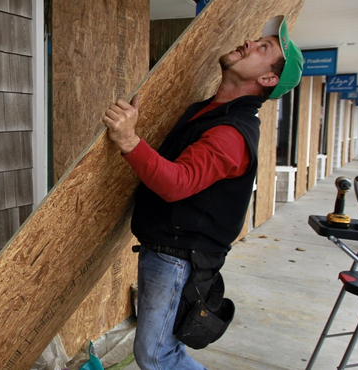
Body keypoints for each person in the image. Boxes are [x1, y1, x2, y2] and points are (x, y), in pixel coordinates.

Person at [102, 15, 303, 370]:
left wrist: (128, 139)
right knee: (161, 352)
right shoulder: (209, 111)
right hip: (165, 251)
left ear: (268, 78)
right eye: (258, 39)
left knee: (155, 355)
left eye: (263, 47)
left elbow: (176, 183)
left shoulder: (232, 133)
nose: (249, 43)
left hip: (179, 259)